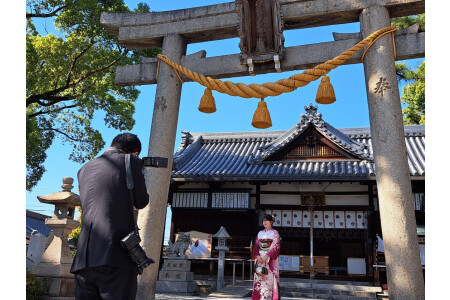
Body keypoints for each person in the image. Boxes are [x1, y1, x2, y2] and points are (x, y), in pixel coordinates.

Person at [70, 133, 149, 300]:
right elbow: (141, 201)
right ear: (134, 152)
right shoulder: (131, 161)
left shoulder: (84, 168)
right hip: (116, 254)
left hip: (83, 258)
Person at [251, 214, 281, 300]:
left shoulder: (275, 233)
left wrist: (266, 257)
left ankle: (269, 297)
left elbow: (275, 245)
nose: (264, 222)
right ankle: (258, 297)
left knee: (269, 278)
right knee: (259, 276)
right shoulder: (260, 233)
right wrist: (258, 256)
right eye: (263, 221)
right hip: (260, 258)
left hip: (270, 259)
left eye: (266, 220)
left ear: (271, 222)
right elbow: (256, 245)